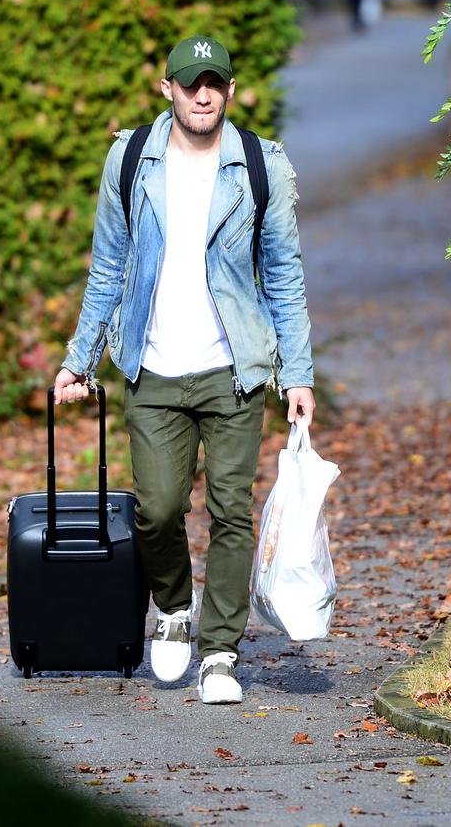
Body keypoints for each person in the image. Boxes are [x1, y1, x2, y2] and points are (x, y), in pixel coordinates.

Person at [54, 36, 316, 705]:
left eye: (216, 83)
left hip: (234, 370)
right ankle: (173, 606)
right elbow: (108, 266)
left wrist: (298, 374)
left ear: (229, 90)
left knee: (232, 511)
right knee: (159, 509)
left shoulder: (261, 165)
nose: (204, 94)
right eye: (191, 82)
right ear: (165, 87)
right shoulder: (130, 159)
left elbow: (284, 276)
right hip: (155, 367)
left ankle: (221, 651)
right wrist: (78, 360)